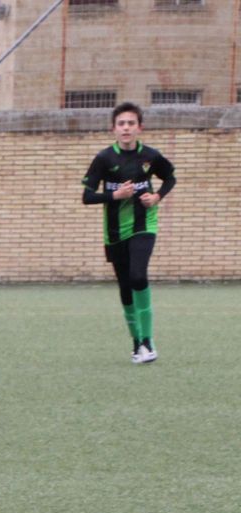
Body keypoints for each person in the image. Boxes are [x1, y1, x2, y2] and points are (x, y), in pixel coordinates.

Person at [81, 101, 175, 365]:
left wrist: (157, 196)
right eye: (121, 123)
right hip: (114, 232)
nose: (126, 128)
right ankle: (136, 344)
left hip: (144, 226)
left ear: (139, 127)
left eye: (131, 123)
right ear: (114, 128)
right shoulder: (103, 159)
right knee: (125, 288)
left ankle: (147, 341)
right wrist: (115, 195)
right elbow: (86, 197)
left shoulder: (151, 157)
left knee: (137, 276)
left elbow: (170, 178)